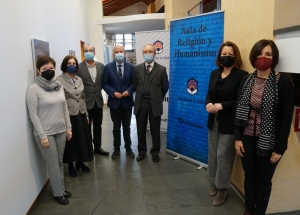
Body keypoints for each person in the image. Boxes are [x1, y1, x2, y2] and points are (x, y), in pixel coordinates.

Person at [234, 39, 294, 215]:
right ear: (253, 56)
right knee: (249, 176)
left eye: (268, 54)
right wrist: (238, 138)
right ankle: (248, 211)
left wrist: (280, 148)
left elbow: (286, 119)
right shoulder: (246, 80)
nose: (263, 57)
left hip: (269, 141)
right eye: (260, 53)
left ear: (274, 58)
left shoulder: (282, 83)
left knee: (263, 179)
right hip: (247, 137)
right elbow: (239, 109)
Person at [205, 41, 247, 206]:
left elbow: (243, 101)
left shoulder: (242, 76)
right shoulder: (214, 74)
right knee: (214, 153)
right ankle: (216, 182)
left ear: (235, 57)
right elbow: (209, 93)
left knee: (224, 155)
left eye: (230, 55)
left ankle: (223, 189)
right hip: (213, 120)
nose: (227, 57)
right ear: (219, 56)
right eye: (224, 54)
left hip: (230, 123)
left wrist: (223, 105)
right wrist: (208, 103)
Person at [26, 56, 72, 205]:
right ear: (38, 71)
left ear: (55, 68)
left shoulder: (59, 85)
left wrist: (68, 127)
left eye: (51, 68)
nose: (48, 71)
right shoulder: (33, 89)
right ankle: (58, 193)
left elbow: (64, 107)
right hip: (46, 133)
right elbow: (33, 114)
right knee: (52, 163)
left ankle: (62, 188)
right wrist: (42, 135)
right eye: (44, 69)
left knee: (59, 161)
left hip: (61, 130)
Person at [57, 55, 93, 177]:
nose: (72, 65)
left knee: (82, 138)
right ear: (64, 65)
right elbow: (60, 99)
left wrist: (87, 114)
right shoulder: (59, 80)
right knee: (71, 140)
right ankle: (71, 165)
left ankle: (80, 162)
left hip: (81, 113)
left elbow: (83, 97)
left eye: (74, 63)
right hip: (69, 114)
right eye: (69, 63)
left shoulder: (79, 79)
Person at [133, 44, 169, 163]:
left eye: (150, 51)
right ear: (142, 54)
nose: (148, 53)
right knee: (140, 129)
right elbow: (134, 85)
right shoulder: (137, 68)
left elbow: (165, 87)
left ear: (155, 53)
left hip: (155, 104)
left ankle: (155, 152)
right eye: (146, 51)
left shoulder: (162, 69)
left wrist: (158, 98)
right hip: (141, 103)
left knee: (155, 130)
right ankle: (142, 152)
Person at [103, 46, 135, 159]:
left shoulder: (131, 67)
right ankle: (116, 149)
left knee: (127, 127)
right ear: (113, 55)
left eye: (121, 51)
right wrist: (112, 93)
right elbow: (105, 83)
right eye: (117, 52)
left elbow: (134, 83)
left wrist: (128, 91)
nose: (119, 53)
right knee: (116, 128)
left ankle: (128, 148)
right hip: (114, 102)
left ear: (125, 53)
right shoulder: (107, 67)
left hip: (127, 102)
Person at [77, 44, 109, 156]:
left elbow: (104, 82)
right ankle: (89, 150)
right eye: (86, 51)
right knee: (87, 128)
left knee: (98, 126)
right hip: (85, 102)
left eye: (90, 50)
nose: (88, 52)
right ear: (83, 53)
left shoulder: (101, 66)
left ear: (94, 53)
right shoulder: (79, 67)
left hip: (98, 102)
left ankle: (98, 148)